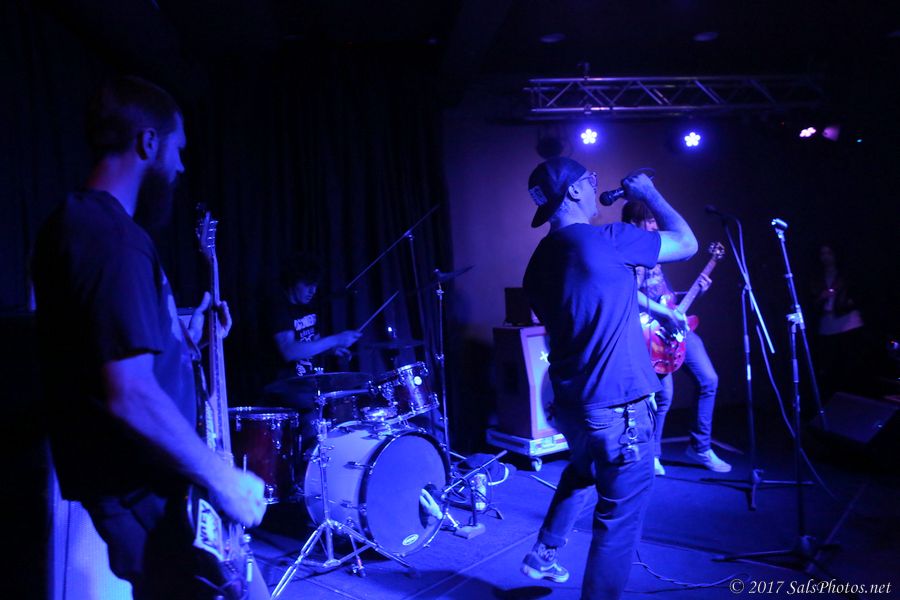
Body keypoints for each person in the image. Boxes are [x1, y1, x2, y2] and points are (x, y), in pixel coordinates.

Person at [31, 76, 268, 599]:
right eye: (178, 150)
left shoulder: (81, 227)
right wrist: (224, 479)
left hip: (145, 485)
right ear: (147, 142)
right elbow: (130, 393)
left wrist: (188, 337)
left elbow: (105, 349)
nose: (180, 167)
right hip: (146, 492)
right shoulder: (113, 238)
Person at [521, 157, 697, 599]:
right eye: (590, 180)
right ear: (575, 191)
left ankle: (544, 551)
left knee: (583, 469)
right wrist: (648, 194)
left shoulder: (536, 264)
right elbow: (687, 243)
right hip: (621, 408)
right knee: (618, 522)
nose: (595, 184)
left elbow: (590, 302)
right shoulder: (611, 239)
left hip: (573, 405)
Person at [622, 200, 731, 475]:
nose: (655, 225)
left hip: (676, 328)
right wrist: (664, 313)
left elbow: (664, 296)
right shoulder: (632, 255)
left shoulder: (656, 251)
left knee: (709, 380)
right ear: (634, 223)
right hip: (652, 333)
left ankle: (700, 447)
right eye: (649, 220)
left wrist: (695, 294)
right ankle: (652, 454)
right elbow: (632, 296)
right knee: (664, 396)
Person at [266, 252, 362, 380]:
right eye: (308, 285)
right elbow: (289, 351)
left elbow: (314, 342)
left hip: (309, 384)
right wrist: (335, 340)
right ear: (292, 281)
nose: (313, 291)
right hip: (285, 387)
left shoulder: (308, 306)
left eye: (315, 285)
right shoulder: (278, 308)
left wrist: (332, 350)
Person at [810, 242, 867, 399]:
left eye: (829, 253)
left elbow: (860, 293)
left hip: (848, 322)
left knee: (850, 364)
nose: (826, 257)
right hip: (827, 323)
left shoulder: (846, 274)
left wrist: (849, 302)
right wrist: (821, 297)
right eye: (823, 253)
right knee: (830, 365)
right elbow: (811, 300)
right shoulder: (817, 277)